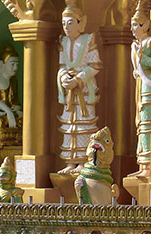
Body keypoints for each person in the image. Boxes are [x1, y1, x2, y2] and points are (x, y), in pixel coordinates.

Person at [56, 0, 101, 174]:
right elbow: (61, 66)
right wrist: (63, 77)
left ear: (80, 23)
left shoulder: (88, 40)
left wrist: (79, 79)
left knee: (84, 125)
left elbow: (95, 65)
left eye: (70, 22)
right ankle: (70, 162)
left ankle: (83, 160)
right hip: (69, 91)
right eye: (63, 23)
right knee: (69, 127)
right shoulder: (64, 42)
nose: (66, 27)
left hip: (83, 89)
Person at [127, 0, 151, 179]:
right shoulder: (136, 45)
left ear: (145, 24)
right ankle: (143, 164)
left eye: (135, 25)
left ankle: (150, 166)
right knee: (141, 126)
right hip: (141, 88)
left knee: (149, 126)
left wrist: (144, 60)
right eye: (131, 25)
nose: (132, 28)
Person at [0, 45, 22, 129]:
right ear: (1, 64)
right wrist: (8, 111)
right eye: (12, 64)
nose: (16, 67)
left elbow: (15, 101)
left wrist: (16, 108)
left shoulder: (13, 81)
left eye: (17, 64)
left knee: (24, 118)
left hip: (11, 111)